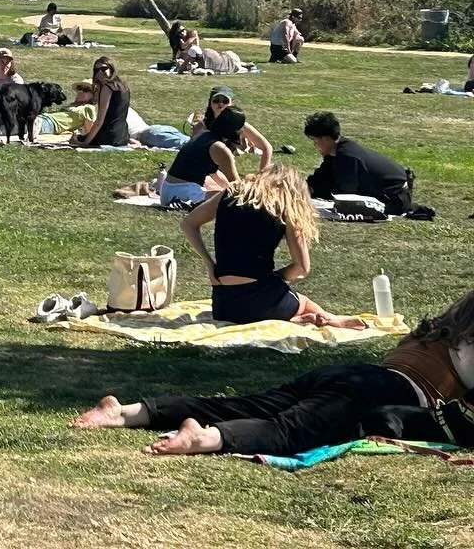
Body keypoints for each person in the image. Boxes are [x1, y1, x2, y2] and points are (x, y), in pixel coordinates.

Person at [72, 290, 474, 457]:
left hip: (349, 373)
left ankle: (128, 411)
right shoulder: (469, 346)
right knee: (290, 431)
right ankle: (205, 438)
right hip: (383, 391)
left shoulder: (437, 332)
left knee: (247, 404)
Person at [176, 162, 358, 327]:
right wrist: (276, 277)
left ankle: (294, 320)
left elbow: (188, 224)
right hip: (262, 299)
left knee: (260, 304)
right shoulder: (284, 204)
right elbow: (302, 268)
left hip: (224, 305)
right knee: (305, 303)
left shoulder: (231, 192)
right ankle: (329, 319)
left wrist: (210, 264)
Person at [302, 112, 413, 214]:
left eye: (316, 141)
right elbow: (323, 176)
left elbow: (345, 192)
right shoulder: (336, 152)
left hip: (395, 198)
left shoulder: (348, 156)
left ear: (326, 138)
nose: (315, 145)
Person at [157, 105, 254, 206]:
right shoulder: (220, 148)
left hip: (167, 190)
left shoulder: (204, 135)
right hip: (184, 192)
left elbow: (216, 175)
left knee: (221, 193)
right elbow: (236, 184)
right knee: (230, 200)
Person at [72, 56, 129, 148]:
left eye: (103, 69)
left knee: (77, 138)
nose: (100, 72)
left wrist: (85, 143)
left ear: (111, 68)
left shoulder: (107, 88)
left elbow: (99, 121)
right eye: (97, 70)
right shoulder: (123, 86)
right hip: (122, 136)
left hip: (108, 136)